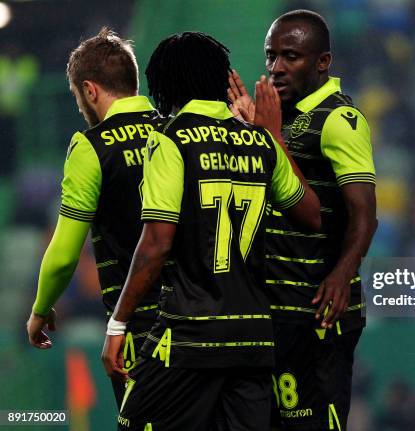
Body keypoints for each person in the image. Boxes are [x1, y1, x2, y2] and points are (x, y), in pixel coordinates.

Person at [101, 31, 321, 431]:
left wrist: (118, 322)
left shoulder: (170, 139)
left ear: (166, 84)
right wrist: (270, 134)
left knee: (132, 423)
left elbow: (156, 242)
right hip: (254, 339)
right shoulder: (260, 141)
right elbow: (310, 212)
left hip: (189, 335)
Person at [228, 9, 377, 431]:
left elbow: (365, 215)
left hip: (318, 313)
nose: (276, 68)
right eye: (270, 56)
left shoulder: (339, 120)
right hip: (276, 311)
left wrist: (342, 275)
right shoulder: (279, 113)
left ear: (322, 62)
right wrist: (253, 130)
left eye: (290, 56)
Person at [25, 27, 163, 407]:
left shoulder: (92, 147)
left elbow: (65, 254)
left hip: (138, 325)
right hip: (199, 319)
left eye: (76, 95)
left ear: (89, 90)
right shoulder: (174, 130)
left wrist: (40, 309)